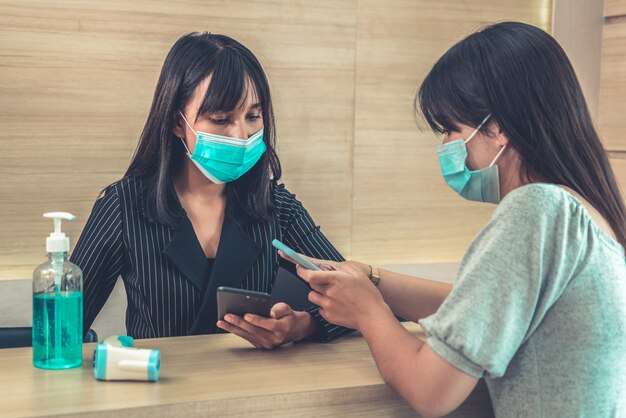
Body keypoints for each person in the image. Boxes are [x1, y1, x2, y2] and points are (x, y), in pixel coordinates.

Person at [286, 22, 626, 417]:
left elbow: (430, 390)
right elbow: (478, 305)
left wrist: (366, 312)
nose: (445, 146)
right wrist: (370, 279)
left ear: (498, 127)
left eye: (450, 129)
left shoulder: (535, 210)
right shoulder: (583, 211)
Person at [71, 32, 349, 349]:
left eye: (253, 116)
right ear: (178, 123)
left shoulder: (276, 206)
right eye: (220, 119)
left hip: (250, 387)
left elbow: (356, 302)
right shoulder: (124, 206)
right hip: (157, 388)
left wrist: (303, 325)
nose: (242, 134)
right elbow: (62, 328)